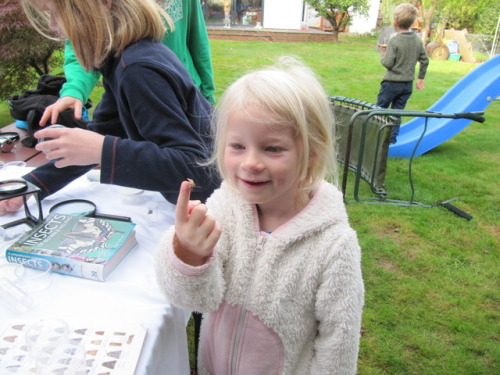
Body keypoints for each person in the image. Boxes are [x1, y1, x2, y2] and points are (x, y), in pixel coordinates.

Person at [156, 57, 365, 374]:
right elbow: (196, 299)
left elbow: (339, 341)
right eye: (237, 146)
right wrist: (188, 253)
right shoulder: (224, 208)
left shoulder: (334, 245)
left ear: (312, 154)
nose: (250, 162)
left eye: (272, 148)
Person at [0, 0, 219, 216]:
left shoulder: (138, 69)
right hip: (201, 204)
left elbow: (194, 170)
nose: (52, 25)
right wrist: (31, 186)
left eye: (55, 13)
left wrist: (101, 150)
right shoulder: (124, 59)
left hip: (219, 207)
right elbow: (105, 133)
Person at [41, 0, 216, 126]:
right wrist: (75, 90)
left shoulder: (136, 65)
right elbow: (83, 41)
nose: (51, 25)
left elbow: (197, 39)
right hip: (134, 93)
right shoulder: (122, 67)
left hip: (181, 93)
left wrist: (207, 95)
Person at [376, 2, 429, 144]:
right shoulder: (417, 41)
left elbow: (388, 63)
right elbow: (425, 60)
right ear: (412, 22)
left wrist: (383, 54)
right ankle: (391, 141)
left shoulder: (395, 40)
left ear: (395, 21)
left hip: (391, 84)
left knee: (379, 110)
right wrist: (420, 79)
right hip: (407, 85)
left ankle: (375, 136)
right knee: (397, 113)